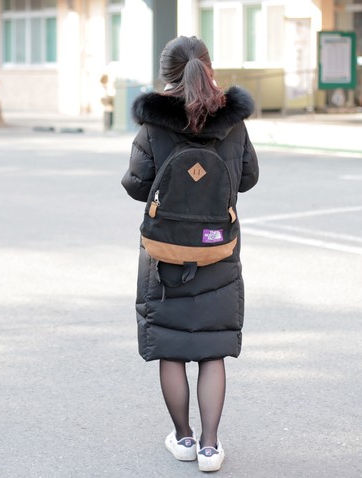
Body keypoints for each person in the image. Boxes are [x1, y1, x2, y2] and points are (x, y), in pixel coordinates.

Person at [121, 36, 259, 473]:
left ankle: (182, 438)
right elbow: (248, 178)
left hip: (165, 251)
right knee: (212, 349)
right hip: (219, 247)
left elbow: (136, 185)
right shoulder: (233, 122)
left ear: (167, 74)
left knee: (173, 347)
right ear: (209, 67)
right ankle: (210, 447)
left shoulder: (153, 124)